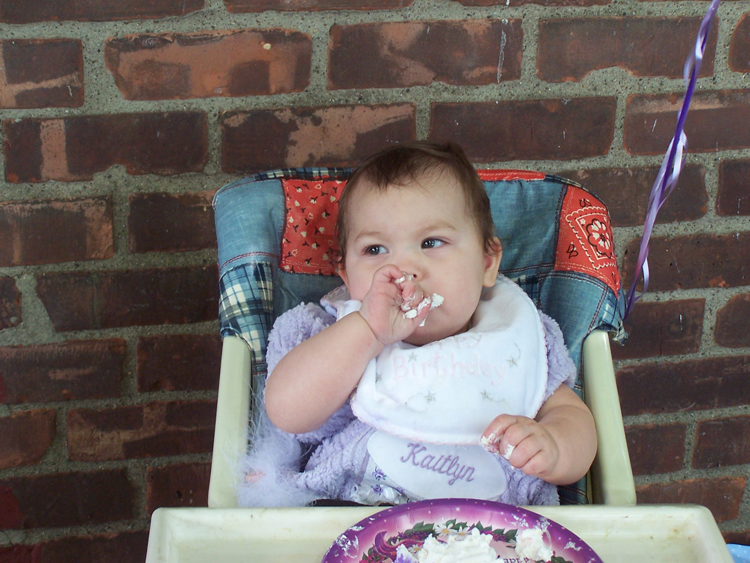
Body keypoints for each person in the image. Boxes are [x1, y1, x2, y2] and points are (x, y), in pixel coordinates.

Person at [238, 141, 597, 508]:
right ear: (346, 275)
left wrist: (554, 447)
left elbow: (571, 417)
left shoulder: (518, 336)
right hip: (349, 523)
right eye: (375, 250)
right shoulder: (327, 333)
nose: (405, 268)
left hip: (495, 536)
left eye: (431, 242)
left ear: (488, 262)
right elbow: (286, 412)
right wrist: (367, 331)